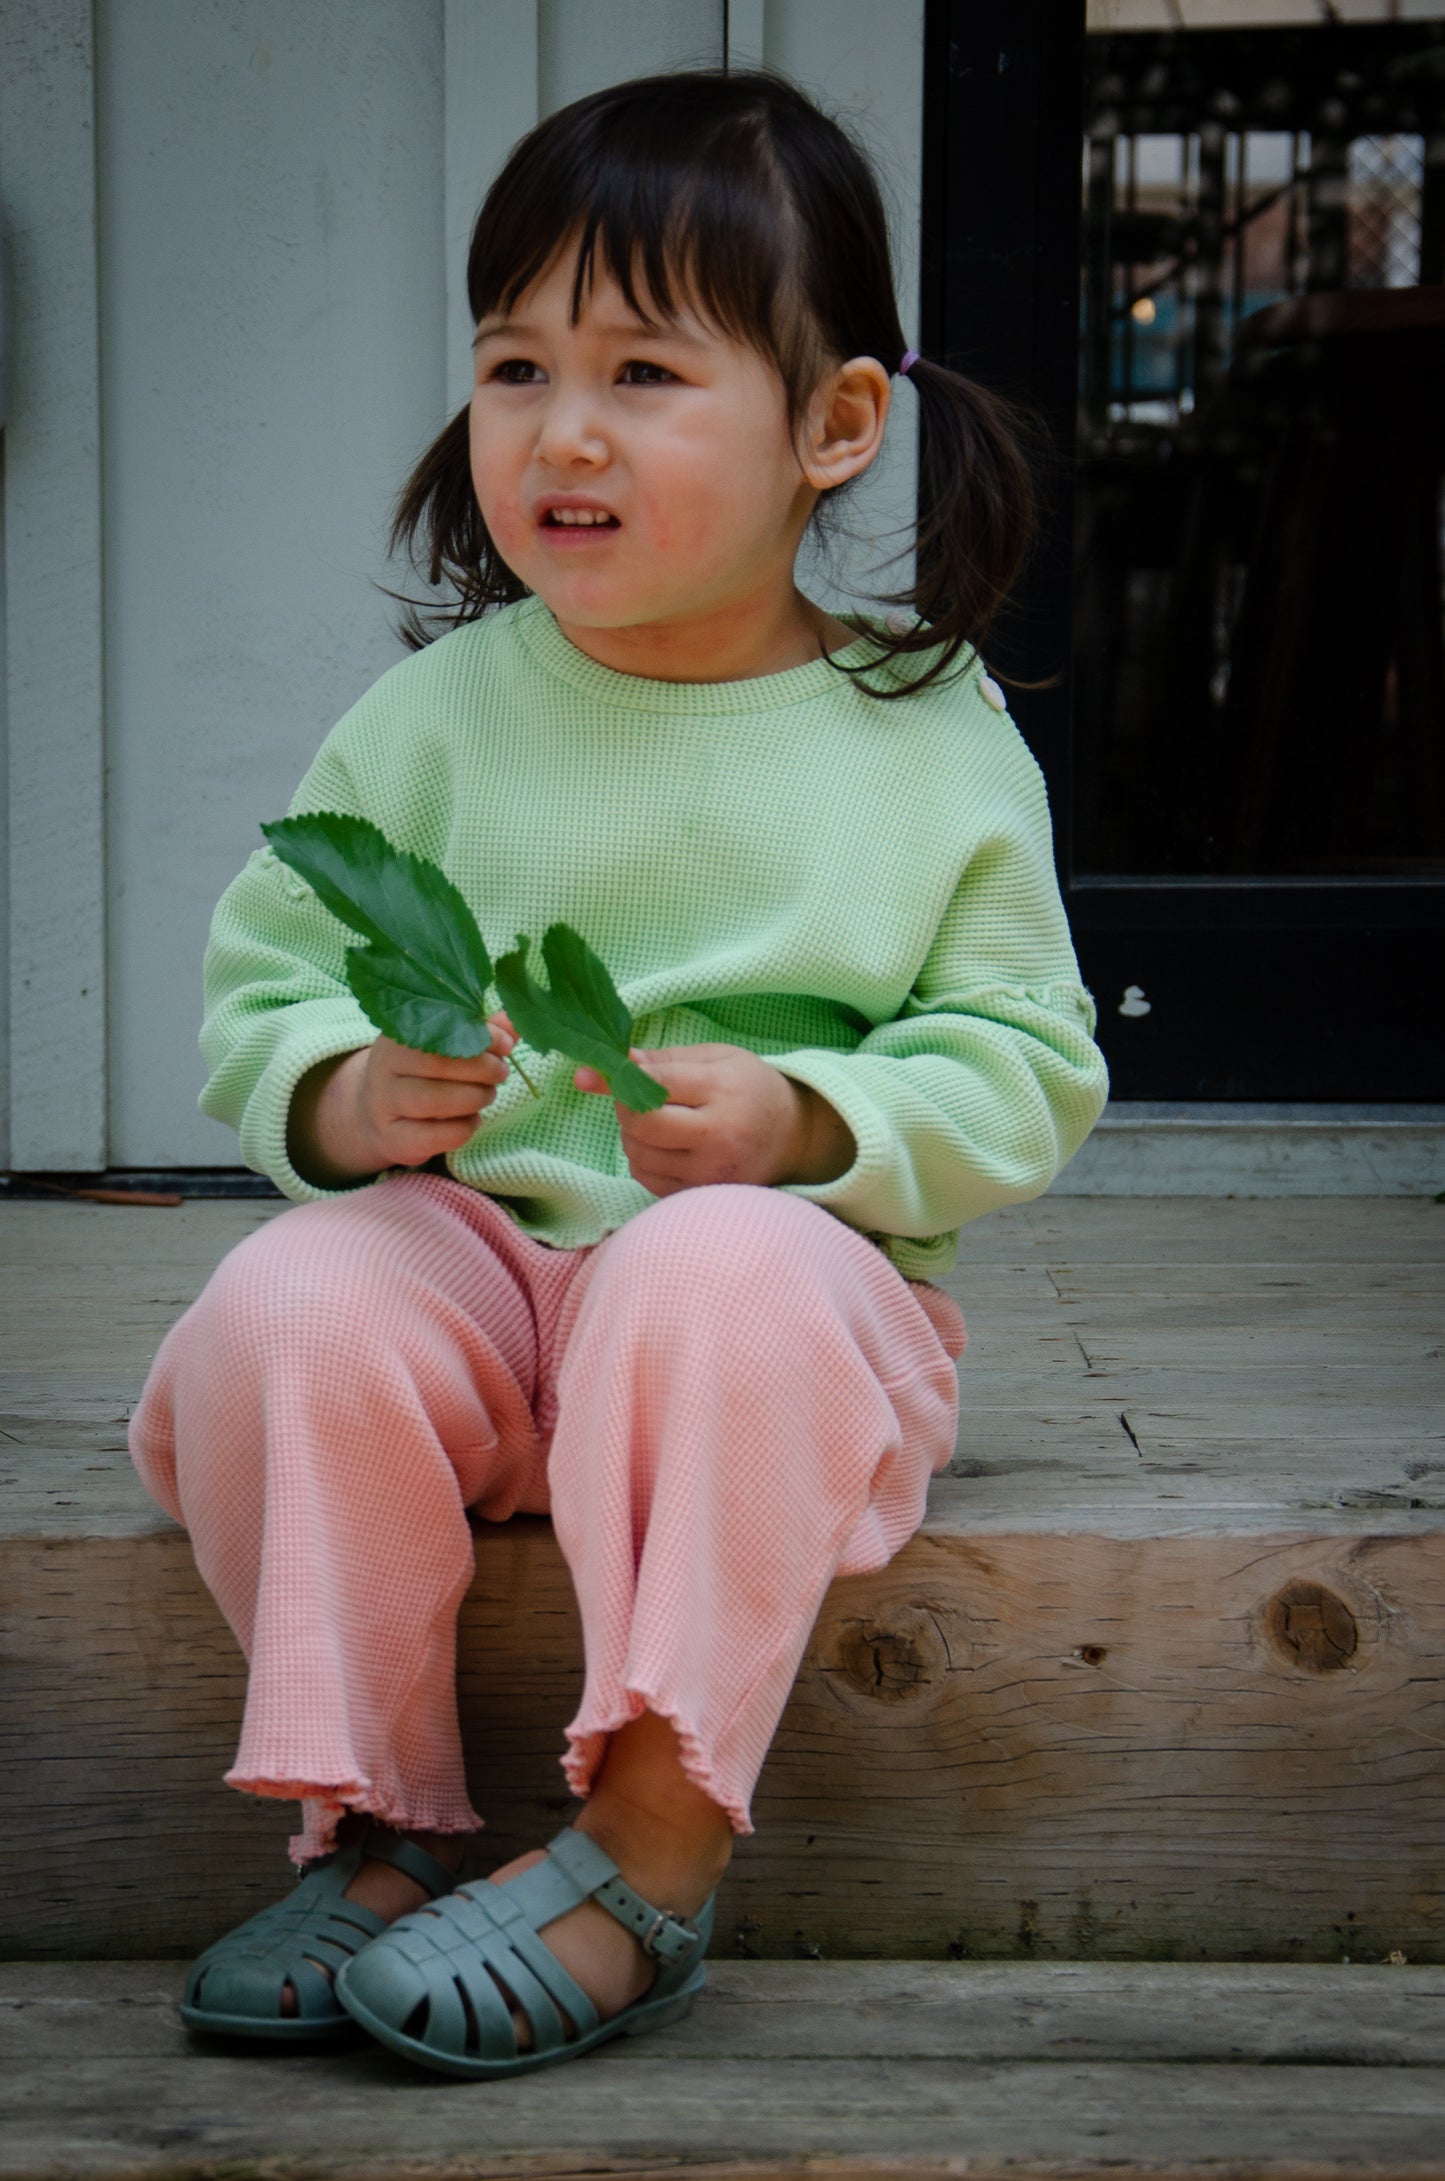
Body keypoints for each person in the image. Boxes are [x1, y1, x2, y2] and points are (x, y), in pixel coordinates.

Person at [129, 65, 1109, 2080]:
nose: (561, 428)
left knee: (708, 1263)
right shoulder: (432, 721)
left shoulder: (918, 734)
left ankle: (651, 1841)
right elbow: (271, 973)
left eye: (646, 370)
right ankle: (382, 1820)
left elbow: (1028, 1055)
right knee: (290, 1292)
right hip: (487, 1289)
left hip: (773, 1320)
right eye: (514, 364)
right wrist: (334, 1092)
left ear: (835, 424)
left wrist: (816, 1124)